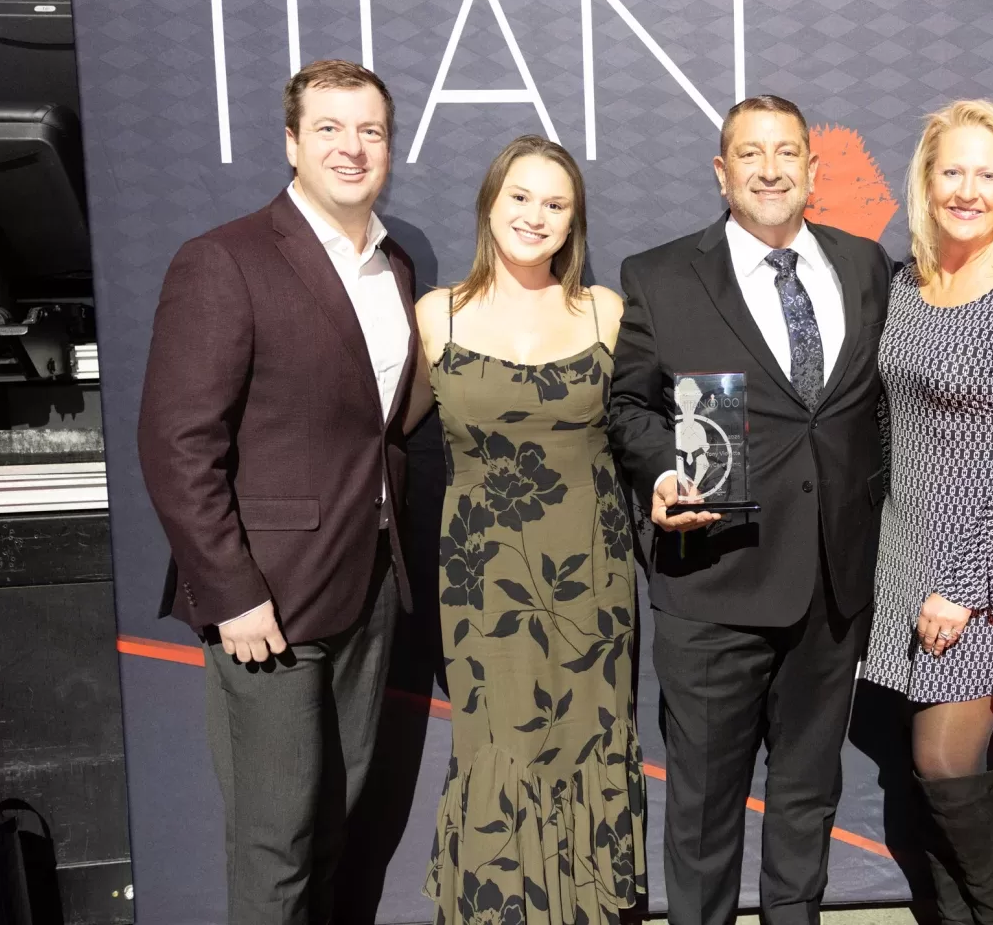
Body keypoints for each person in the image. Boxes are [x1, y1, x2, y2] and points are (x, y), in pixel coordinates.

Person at [138, 59, 417, 925]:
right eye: (329, 128)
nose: (351, 147)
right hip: (268, 597)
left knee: (335, 824)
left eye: (370, 130)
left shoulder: (395, 265)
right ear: (291, 143)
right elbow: (178, 443)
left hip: (369, 583)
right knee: (277, 843)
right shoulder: (225, 259)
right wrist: (231, 592)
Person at [607, 95, 894, 925]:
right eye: (750, 153)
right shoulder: (661, 275)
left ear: (812, 167)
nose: (770, 170)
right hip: (713, 585)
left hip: (832, 590)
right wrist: (665, 471)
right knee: (702, 813)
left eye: (786, 152)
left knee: (807, 802)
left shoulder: (865, 266)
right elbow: (629, 408)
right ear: (721, 171)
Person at [409, 136, 645, 925]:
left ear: (574, 221)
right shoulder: (435, 315)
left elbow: (646, 433)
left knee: (586, 739)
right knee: (499, 747)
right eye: (520, 196)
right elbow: (386, 439)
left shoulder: (606, 311)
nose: (535, 216)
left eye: (555, 203)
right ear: (490, 203)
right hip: (484, 579)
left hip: (591, 573)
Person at [861, 99, 993, 925]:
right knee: (925, 777)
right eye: (952, 170)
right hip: (904, 554)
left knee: (946, 766)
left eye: (988, 174)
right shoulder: (906, 285)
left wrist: (962, 587)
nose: (968, 190)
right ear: (925, 180)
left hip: (979, 569)